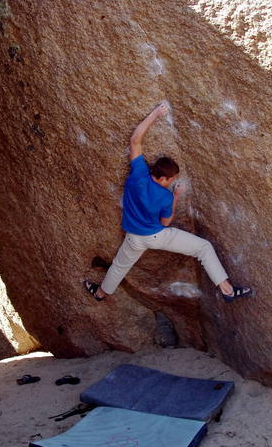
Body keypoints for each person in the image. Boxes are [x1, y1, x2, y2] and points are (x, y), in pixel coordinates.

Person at [84, 101, 252, 303]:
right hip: (156, 235)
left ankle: (100, 293)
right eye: (171, 180)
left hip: (134, 237)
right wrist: (176, 197)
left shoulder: (138, 175)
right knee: (203, 247)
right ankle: (227, 290)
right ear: (163, 179)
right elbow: (165, 223)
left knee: (120, 266)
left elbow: (135, 140)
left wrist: (155, 113)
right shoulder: (166, 196)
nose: (172, 182)